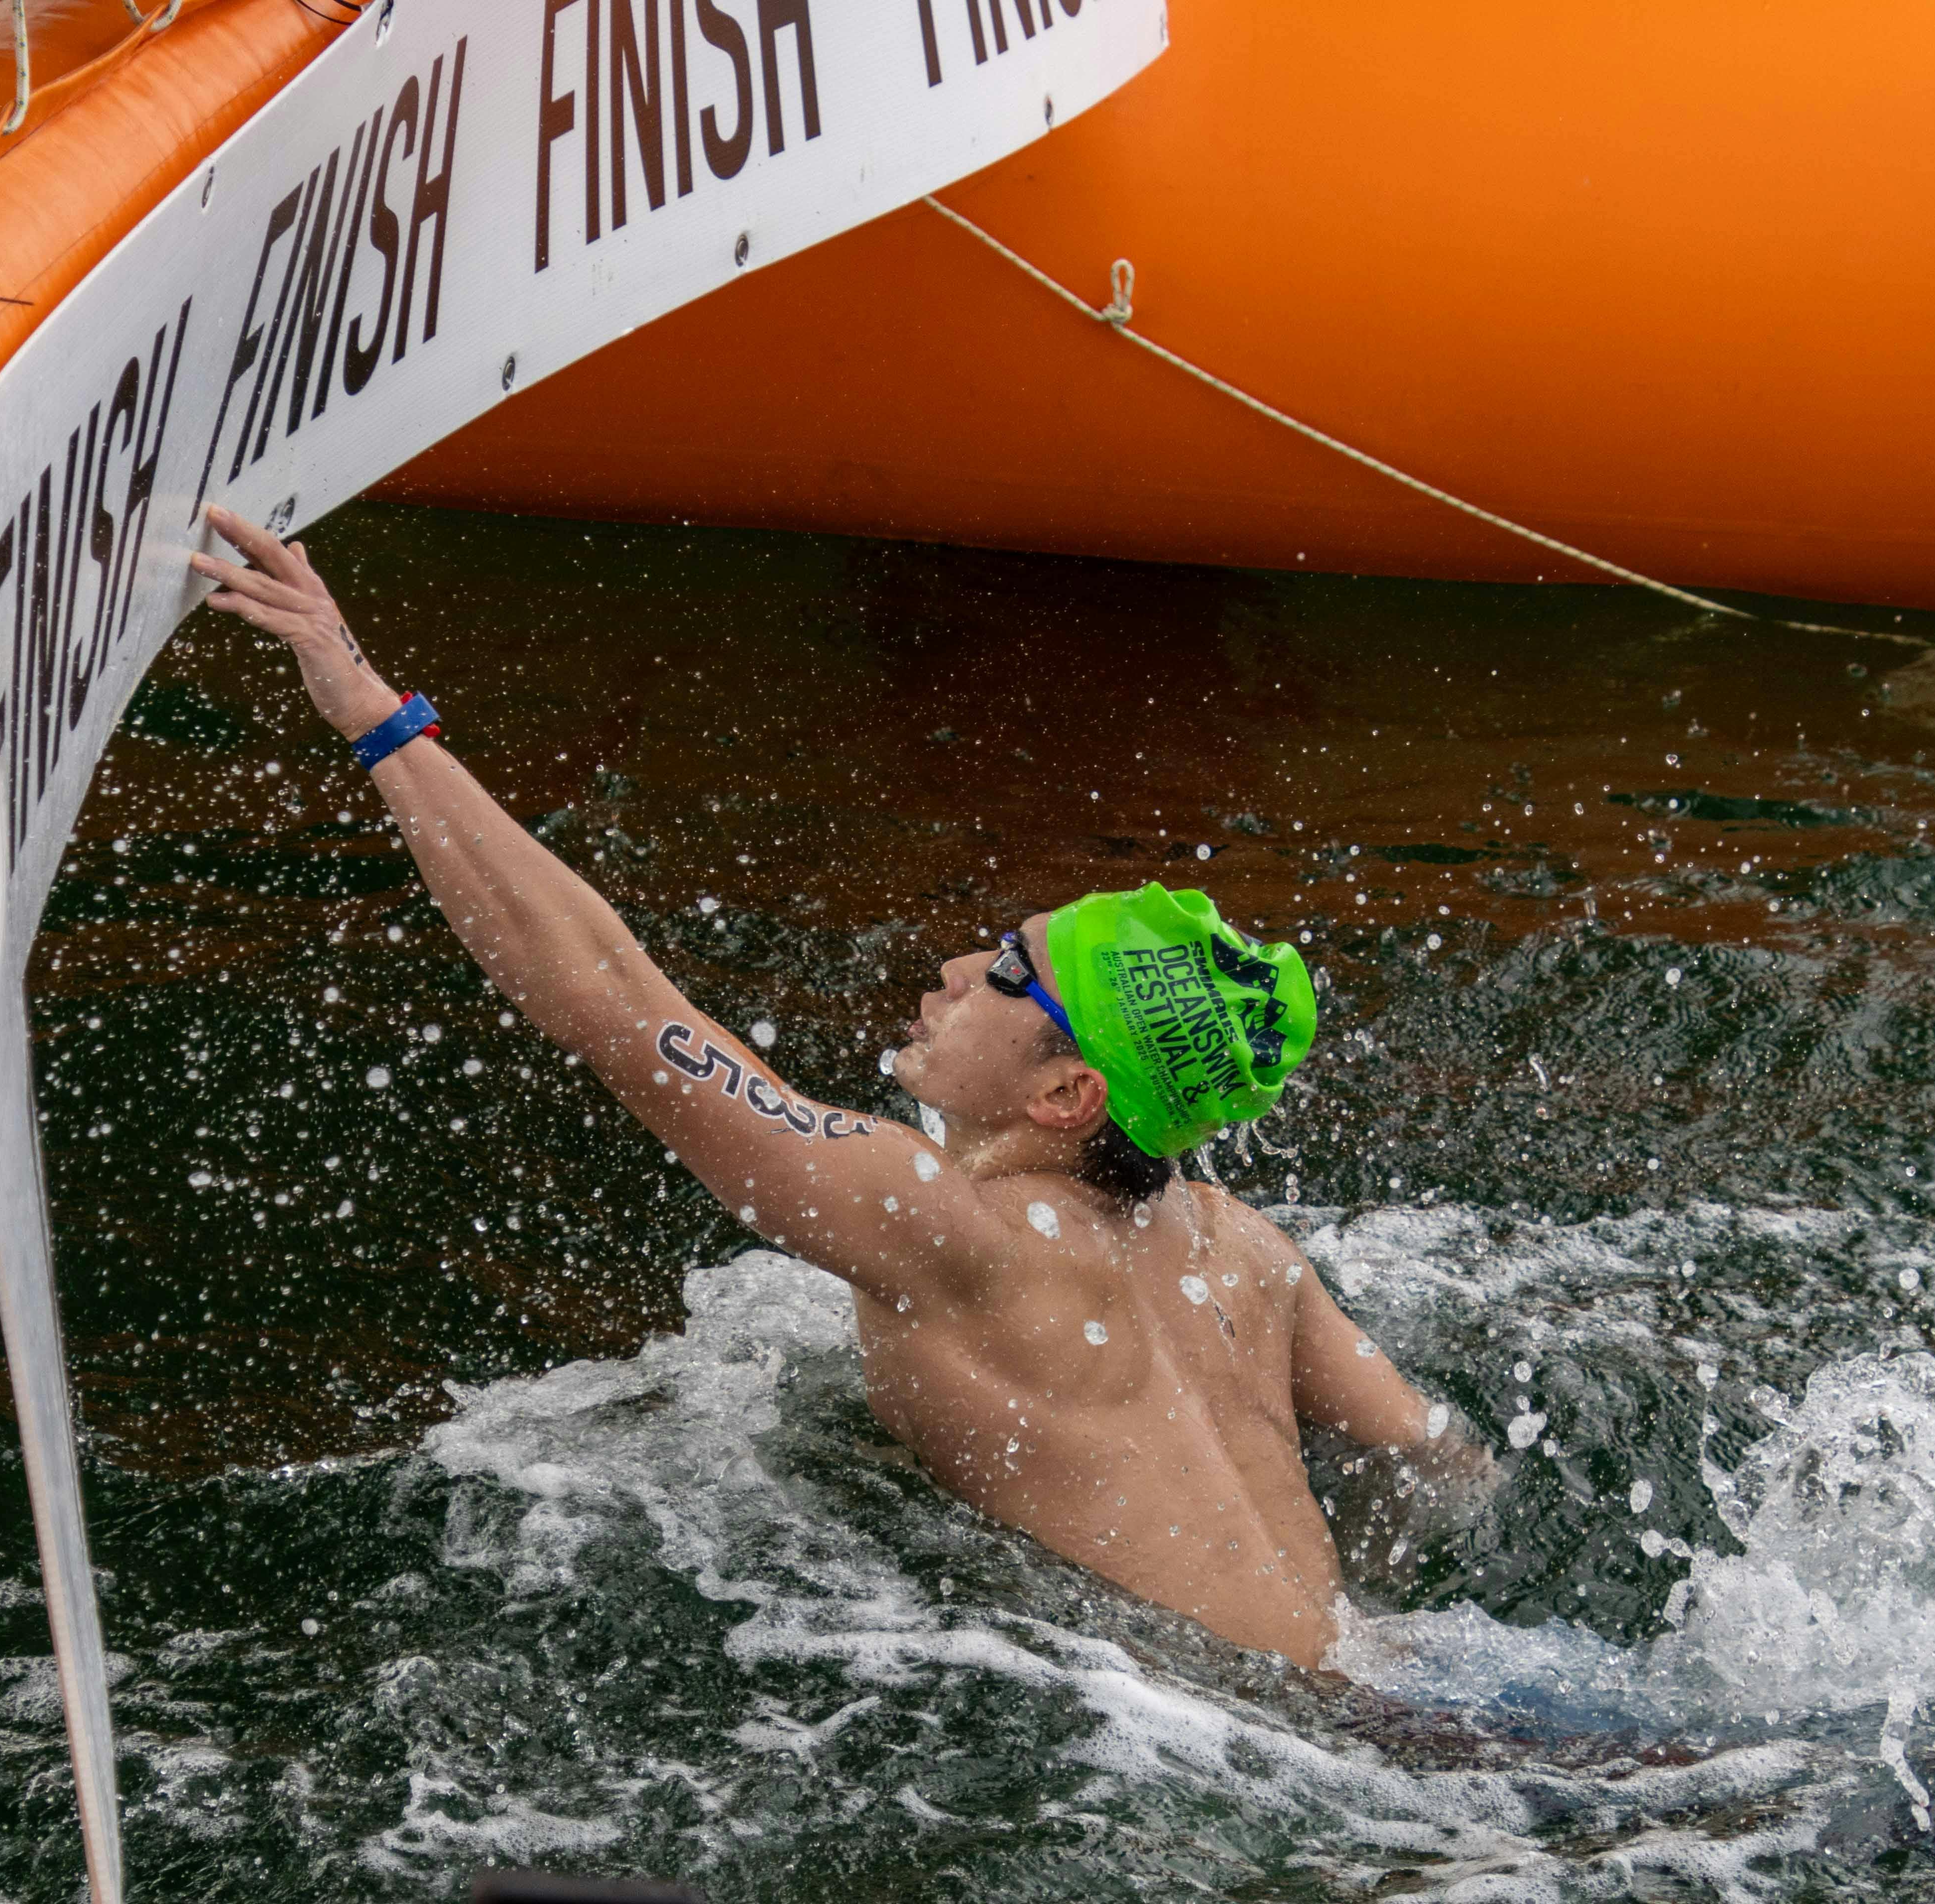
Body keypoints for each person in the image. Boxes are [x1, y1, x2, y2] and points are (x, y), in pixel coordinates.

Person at [191, 508, 1483, 1666]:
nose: (959, 968)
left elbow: (617, 1008)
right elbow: (1438, 1465)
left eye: (1009, 975)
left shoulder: (951, 1230)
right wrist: (1355, 1603)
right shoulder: (1246, 1255)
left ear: (1067, 1098)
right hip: (1384, 1683)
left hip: (1235, 1739)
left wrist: (374, 715)